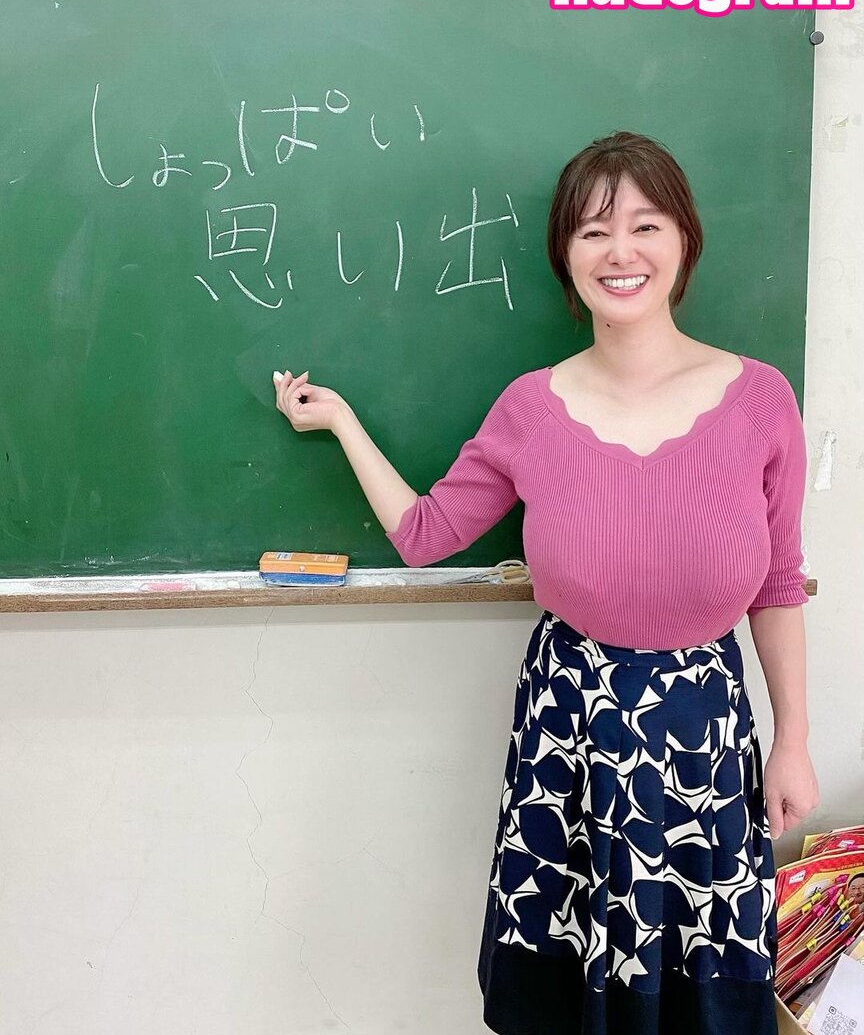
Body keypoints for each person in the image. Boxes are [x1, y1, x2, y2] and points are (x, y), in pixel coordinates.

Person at [272, 130, 820, 1035]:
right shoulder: (532, 407)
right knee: (569, 991)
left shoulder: (761, 400)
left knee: (703, 994)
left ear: (685, 241)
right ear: (565, 256)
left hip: (705, 735)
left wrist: (792, 741)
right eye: (593, 231)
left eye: (645, 225)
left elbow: (779, 586)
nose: (620, 252)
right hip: (570, 728)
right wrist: (341, 423)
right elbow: (425, 535)